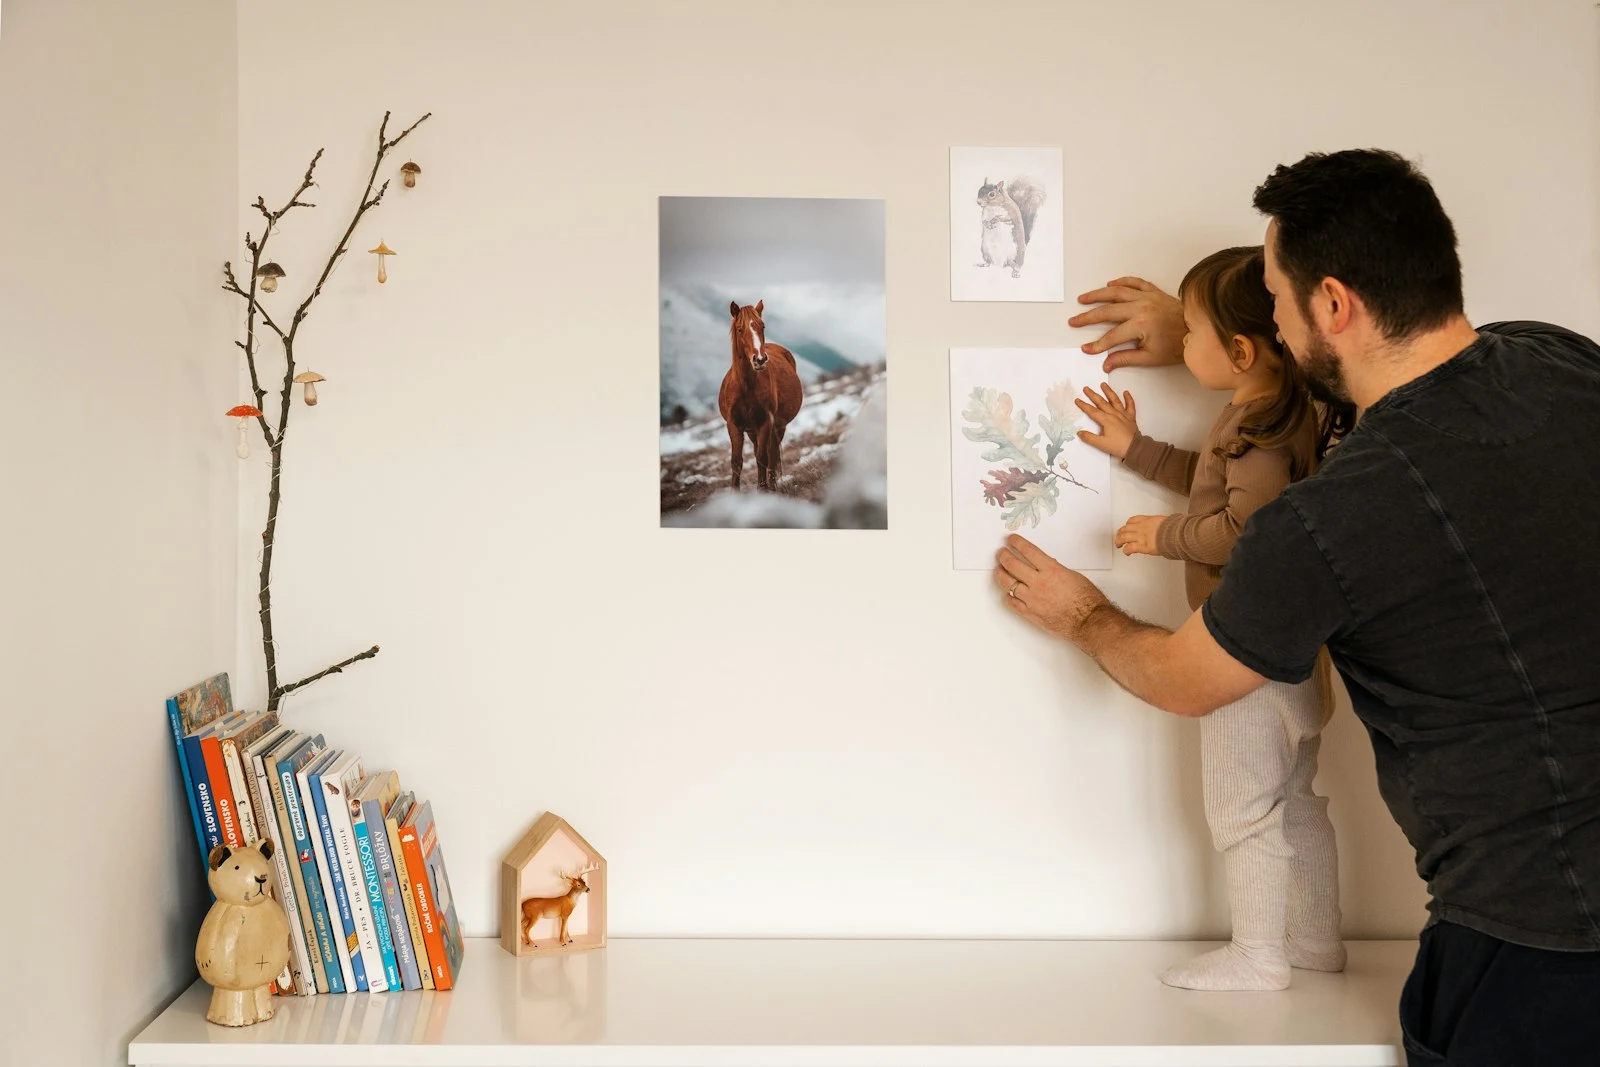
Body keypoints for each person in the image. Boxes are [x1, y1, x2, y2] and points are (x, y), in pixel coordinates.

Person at [994, 149, 1600, 1064]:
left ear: (1333, 304)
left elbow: (1184, 678)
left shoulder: (1327, 521)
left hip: (1536, 957)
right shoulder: (1559, 359)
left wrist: (1085, 615)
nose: (1273, 317)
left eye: (1275, 298)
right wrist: (1206, 333)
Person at [1074, 245, 1348, 991]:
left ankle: (1260, 954)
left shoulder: (1259, 427)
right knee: (1296, 801)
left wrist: (1160, 536)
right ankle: (1316, 941)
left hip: (1244, 655)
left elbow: (1240, 525)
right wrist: (1136, 449)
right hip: (1297, 653)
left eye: (1189, 332)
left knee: (1243, 809)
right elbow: (1208, 476)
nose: (1178, 345)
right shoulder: (1268, 416)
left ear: (1238, 349)